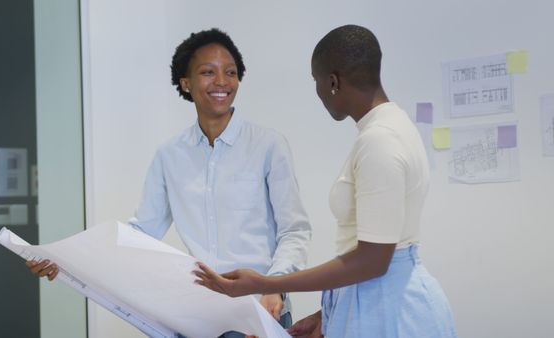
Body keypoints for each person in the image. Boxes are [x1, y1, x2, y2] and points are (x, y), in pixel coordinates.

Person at [26, 28, 312, 337]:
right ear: (185, 83)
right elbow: (139, 235)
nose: (221, 82)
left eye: (230, 72)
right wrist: (66, 262)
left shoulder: (269, 145)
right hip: (198, 315)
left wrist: (275, 287)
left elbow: (294, 231)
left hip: (260, 308)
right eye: (207, 72)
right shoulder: (170, 155)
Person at [194, 25, 458, 338]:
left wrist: (266, 283)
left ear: (333, 82)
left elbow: (373, 260)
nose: (318, 92)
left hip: (392, 312)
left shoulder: (380, 141)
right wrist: (327, 315)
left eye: (316, 82)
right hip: (375, 299)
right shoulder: (389, 127)